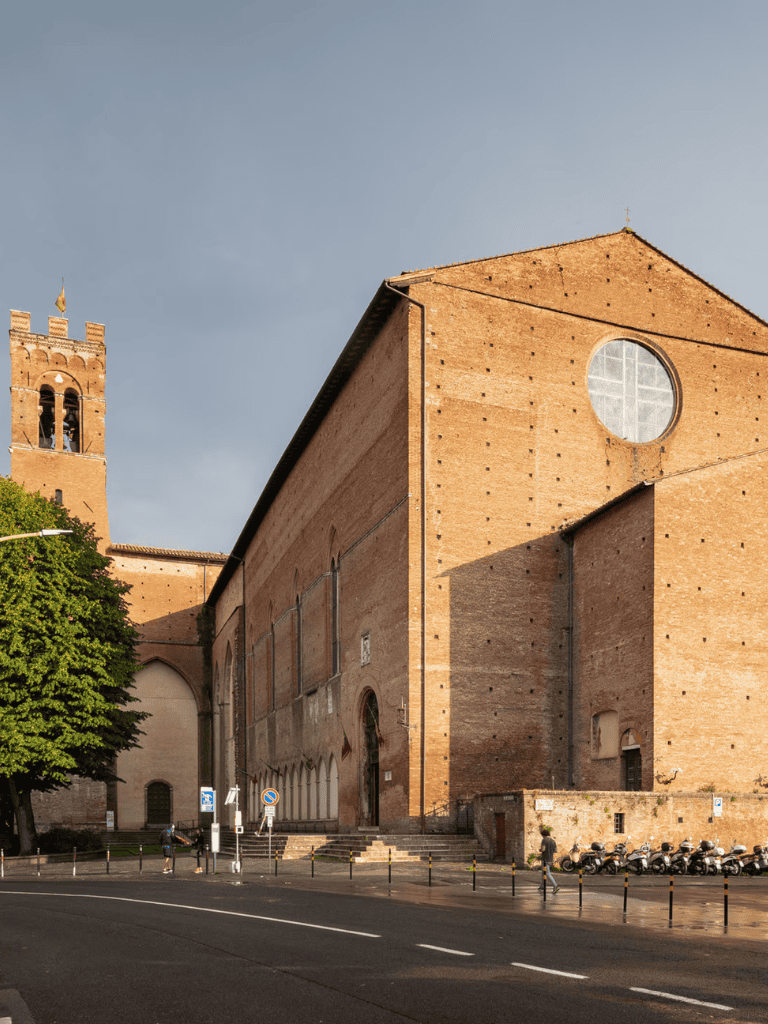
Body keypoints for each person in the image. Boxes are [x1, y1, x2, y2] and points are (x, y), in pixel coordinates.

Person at [539, 826, 560, 894]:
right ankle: (542, 886)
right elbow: (555, 850)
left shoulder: (544, 840)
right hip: (550, 858)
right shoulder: (553, 841)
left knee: (547, 873)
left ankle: (555, 885)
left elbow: (543, 849)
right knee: (543, 872)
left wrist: (540, 850)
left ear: (543, 835)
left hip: (545, 859)